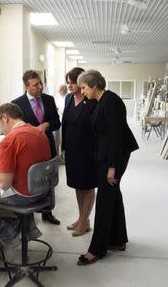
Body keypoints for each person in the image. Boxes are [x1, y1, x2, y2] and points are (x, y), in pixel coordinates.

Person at [76, 69, 139, 265]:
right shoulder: (100, 101)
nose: (82, 91)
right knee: (113, 195)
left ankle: (97, 249)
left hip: (115, 155)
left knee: (104, 199)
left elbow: (115, 137)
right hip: (107, 153)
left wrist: (112, 167)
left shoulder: (111, 101)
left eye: (84, 87)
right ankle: (118, 239)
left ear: (95, 85)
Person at [0, 103, 52, 248]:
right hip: (43, 192)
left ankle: (6, 233)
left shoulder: (9, 140)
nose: (0, 129)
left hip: (24, 197)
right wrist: (4, 155)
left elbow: (4, 184)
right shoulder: (39, 133)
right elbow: (27, 157)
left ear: (4, 118)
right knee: (15, 185)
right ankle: (30, 228)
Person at [12, 70, 61, 225]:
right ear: (26, 86)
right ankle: (29, 217)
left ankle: (47, 212)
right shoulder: (17, 103)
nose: (40, 87)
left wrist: (47, 124)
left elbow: (56, 122)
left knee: (48, 179)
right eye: (35, 85)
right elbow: (15, 127)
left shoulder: (49, 100)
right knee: (29, 180)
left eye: (41, 83)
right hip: (28, 150)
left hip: (47, 146)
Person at [62, 67, 97, 237]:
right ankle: (81, 218)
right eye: (68, 82)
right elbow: (66, 123)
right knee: (77, 185)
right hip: (72, 150)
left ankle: (84, 221)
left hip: (87, 151)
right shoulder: (68, 98)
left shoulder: (91, 101)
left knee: (87, 186)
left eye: (72, 82)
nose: (69, 86)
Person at [55, 84, 68, 164]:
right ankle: (60, 157)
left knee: (64, 140)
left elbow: (64, 110)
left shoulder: (68, 97)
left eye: (59, 91)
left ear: (63, 90)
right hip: (60, 122)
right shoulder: (60, 98)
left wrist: (58, 109)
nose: (59, 92)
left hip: (65, 122)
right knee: (59, 140)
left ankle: (63, 157)